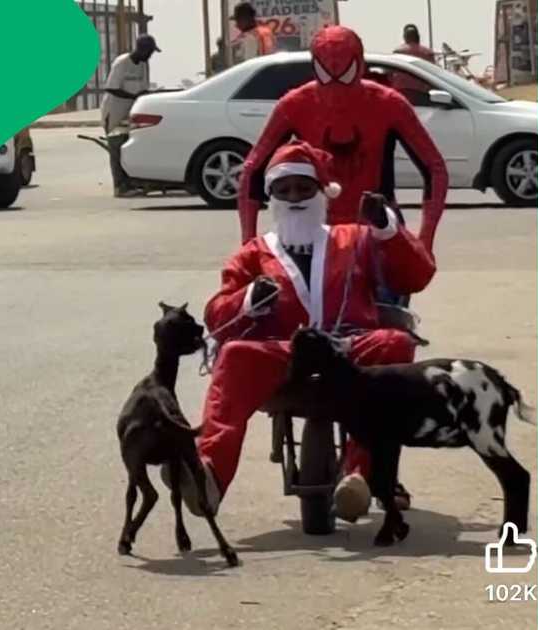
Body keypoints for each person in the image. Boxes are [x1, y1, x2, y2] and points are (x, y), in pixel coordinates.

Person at [167, 140, 436, 521]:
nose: (294, 197)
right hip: (284, 352)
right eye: (284, 189)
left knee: (394, 342)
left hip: (350, 347)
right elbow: (217, 315)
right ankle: (208, 475)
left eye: (303, 188)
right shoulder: (253, 253)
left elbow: (417, 275)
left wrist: (386, 229)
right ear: (272, 197)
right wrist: (247, 299)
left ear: (321, 193)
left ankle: (358, 477)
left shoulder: (355, 239)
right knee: (235, 354)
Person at [238, 26, 448, 258]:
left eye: (345, 73)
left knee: (385, 289)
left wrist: (425, 240)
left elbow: (434, 168)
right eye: (327, 73)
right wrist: (249, 245)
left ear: (359, 65)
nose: (336, 88)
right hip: (318, 234)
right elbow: (253, 170)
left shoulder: (388, 104)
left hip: (375, 231)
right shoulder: (296, 105)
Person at [102, 34, 160, 197]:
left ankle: (132, 182)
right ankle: (120, 186)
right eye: (149, 52)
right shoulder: (122, 63)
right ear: (141, 49)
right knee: (116, 146)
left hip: (131, 111)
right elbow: (111, 88)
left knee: (130, 146)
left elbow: (143, 89)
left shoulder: (143, 65)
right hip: (114, 112)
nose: (150, 55)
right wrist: (133, 96)